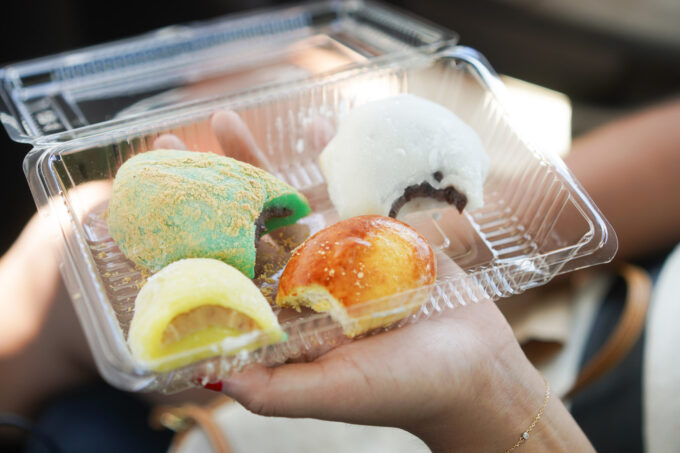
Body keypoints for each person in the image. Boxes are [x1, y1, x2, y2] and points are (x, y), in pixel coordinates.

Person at [1, 98, 679, 452]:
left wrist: (493, 395)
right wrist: (421, 229)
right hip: (586, 287)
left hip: (546, 404)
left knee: (63, 250)